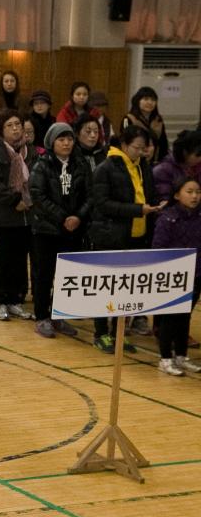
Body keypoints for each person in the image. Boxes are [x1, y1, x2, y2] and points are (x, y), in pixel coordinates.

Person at [89, 127, 164, 353]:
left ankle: (119, 333)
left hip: (137, 235)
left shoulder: (143, 167)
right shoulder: (106, 168)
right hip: (111, 236)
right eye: (136, 148)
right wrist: (138, 210)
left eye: (144, 148)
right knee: (107, 288)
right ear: (124, 145)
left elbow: (149, 194)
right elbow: (102, 204)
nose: (140, 152)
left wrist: (158, 205)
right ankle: (101, 333)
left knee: (127, 290)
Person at [29, 123, 89, 338]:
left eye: (69, 139)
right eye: (61, 139)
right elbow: (38, 195)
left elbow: (89, 195)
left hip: (73, 229)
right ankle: (41, 317)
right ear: (51, 142)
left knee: (66, 276)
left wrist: (78, 217)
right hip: (46, 229)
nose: (66, 143)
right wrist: (63, 217)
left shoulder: (80, 164)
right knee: (44, 274)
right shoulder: (42, 165)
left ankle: (58, 315)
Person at [0, 111, 36, 321]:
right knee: (3, 259)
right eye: (10, 125)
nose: (15, 129)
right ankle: (0, 300)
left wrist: (30, 200)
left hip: (27, 216)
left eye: (18, 124)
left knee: (20, 260)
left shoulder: (30, 151)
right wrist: (16, 200)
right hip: (3, 216)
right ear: (1, 132)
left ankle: (16, 299)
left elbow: (36, 179)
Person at [152, 177, 201, 375]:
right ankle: (165, 358)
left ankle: (181, 356)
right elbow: (158, 248)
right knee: (169, 319)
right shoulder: (167, 218)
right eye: (189, 191)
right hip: (173, 276)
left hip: (196, 275)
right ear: (176, 194)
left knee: (184, 318)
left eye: (197, 192)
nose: (195, 196)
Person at [122, 87, 169, 165]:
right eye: (146, 99)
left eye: (153, 100)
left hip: (156, 162)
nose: (150, 102)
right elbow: (125, 141)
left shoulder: (158, 120)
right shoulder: (128, 118)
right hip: (135, 161)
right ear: (138, 101)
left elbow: (163, 142)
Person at [153, 130, 201, 201]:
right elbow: (165, 200)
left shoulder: (196, 167)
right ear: (185, 152)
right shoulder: (163, 171)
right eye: (198, 155)